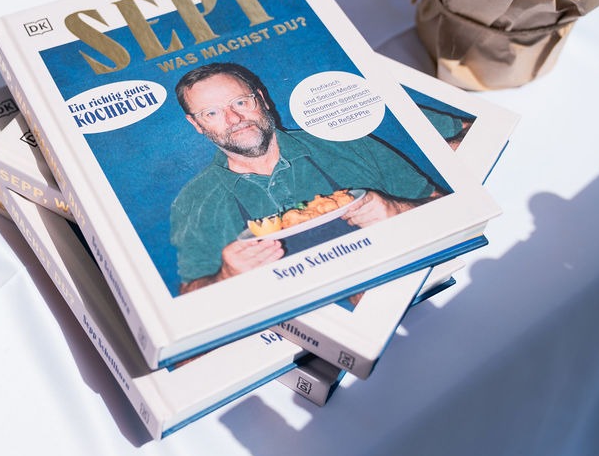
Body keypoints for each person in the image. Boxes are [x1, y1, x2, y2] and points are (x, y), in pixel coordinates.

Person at [170, 62, 446, 294]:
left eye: (241, 102)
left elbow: (446, 207)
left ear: (261, 99)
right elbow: (189, 298)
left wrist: (398, 209)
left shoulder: (345, 142)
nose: (234, 118)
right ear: (196, 124)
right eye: (212, 113)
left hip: (405, 290)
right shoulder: (194, 201)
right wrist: (226, 277)